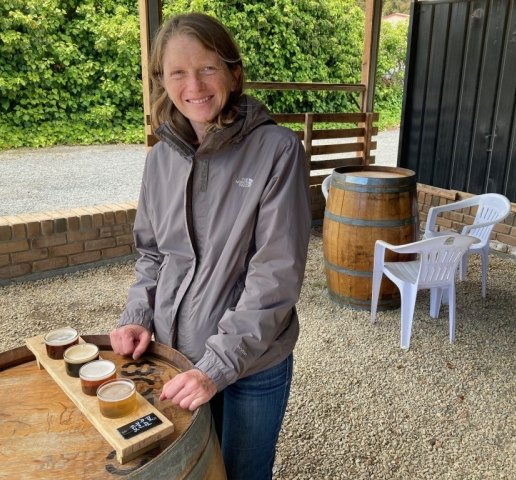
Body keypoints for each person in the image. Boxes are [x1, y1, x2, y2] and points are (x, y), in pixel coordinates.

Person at [109, 12, 311, 479]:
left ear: (234, 72)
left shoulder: (278, 150)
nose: (193, 85)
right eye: (177, 72)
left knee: (242, 472)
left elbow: (275, 276)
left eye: (207, 68)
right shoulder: (160, 158)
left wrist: (216, 367)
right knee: (195, 468)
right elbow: (153, 254)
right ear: (162, 80)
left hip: (253, 364)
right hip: (178, 356)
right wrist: (138, 316)